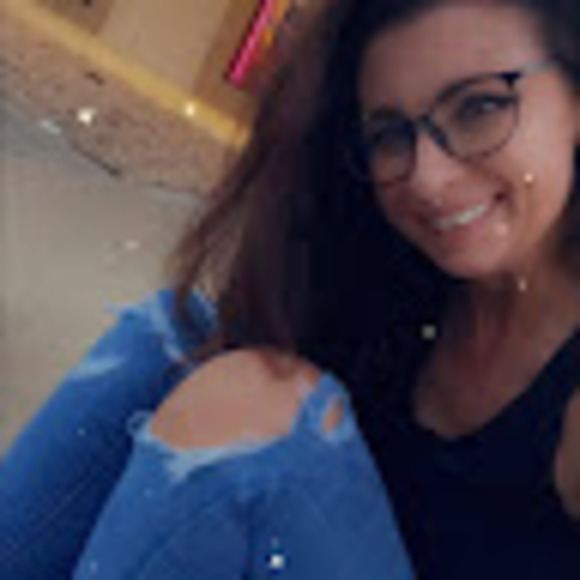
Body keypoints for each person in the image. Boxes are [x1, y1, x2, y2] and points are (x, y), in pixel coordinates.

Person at [1, 0, 580, 577]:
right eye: (389, 135)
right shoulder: (394, 289)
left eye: (480, 107)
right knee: (175, 340)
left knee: (252, 401)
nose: (429, 177)